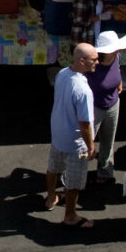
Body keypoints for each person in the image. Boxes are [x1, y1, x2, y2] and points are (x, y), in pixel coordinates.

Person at [45, 42, 96, 228]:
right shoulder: (83, 90)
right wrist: (90, 146)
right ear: (82, 61)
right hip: (76, 144)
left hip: (58, 135)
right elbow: (85, 125)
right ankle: (70, 215)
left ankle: (51, 198)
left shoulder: (62, 73)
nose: (97, 62)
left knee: (53, 168)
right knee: (74, 181)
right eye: (94, 59)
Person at [87, 30, 126, 182]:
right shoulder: (92, 65)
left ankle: (105, 171)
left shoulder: (116, 57)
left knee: (108, 140)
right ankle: (75, 174)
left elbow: (116, 70)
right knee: (86, 143)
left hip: (113, 104)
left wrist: (118, 82)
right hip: (94, 107)